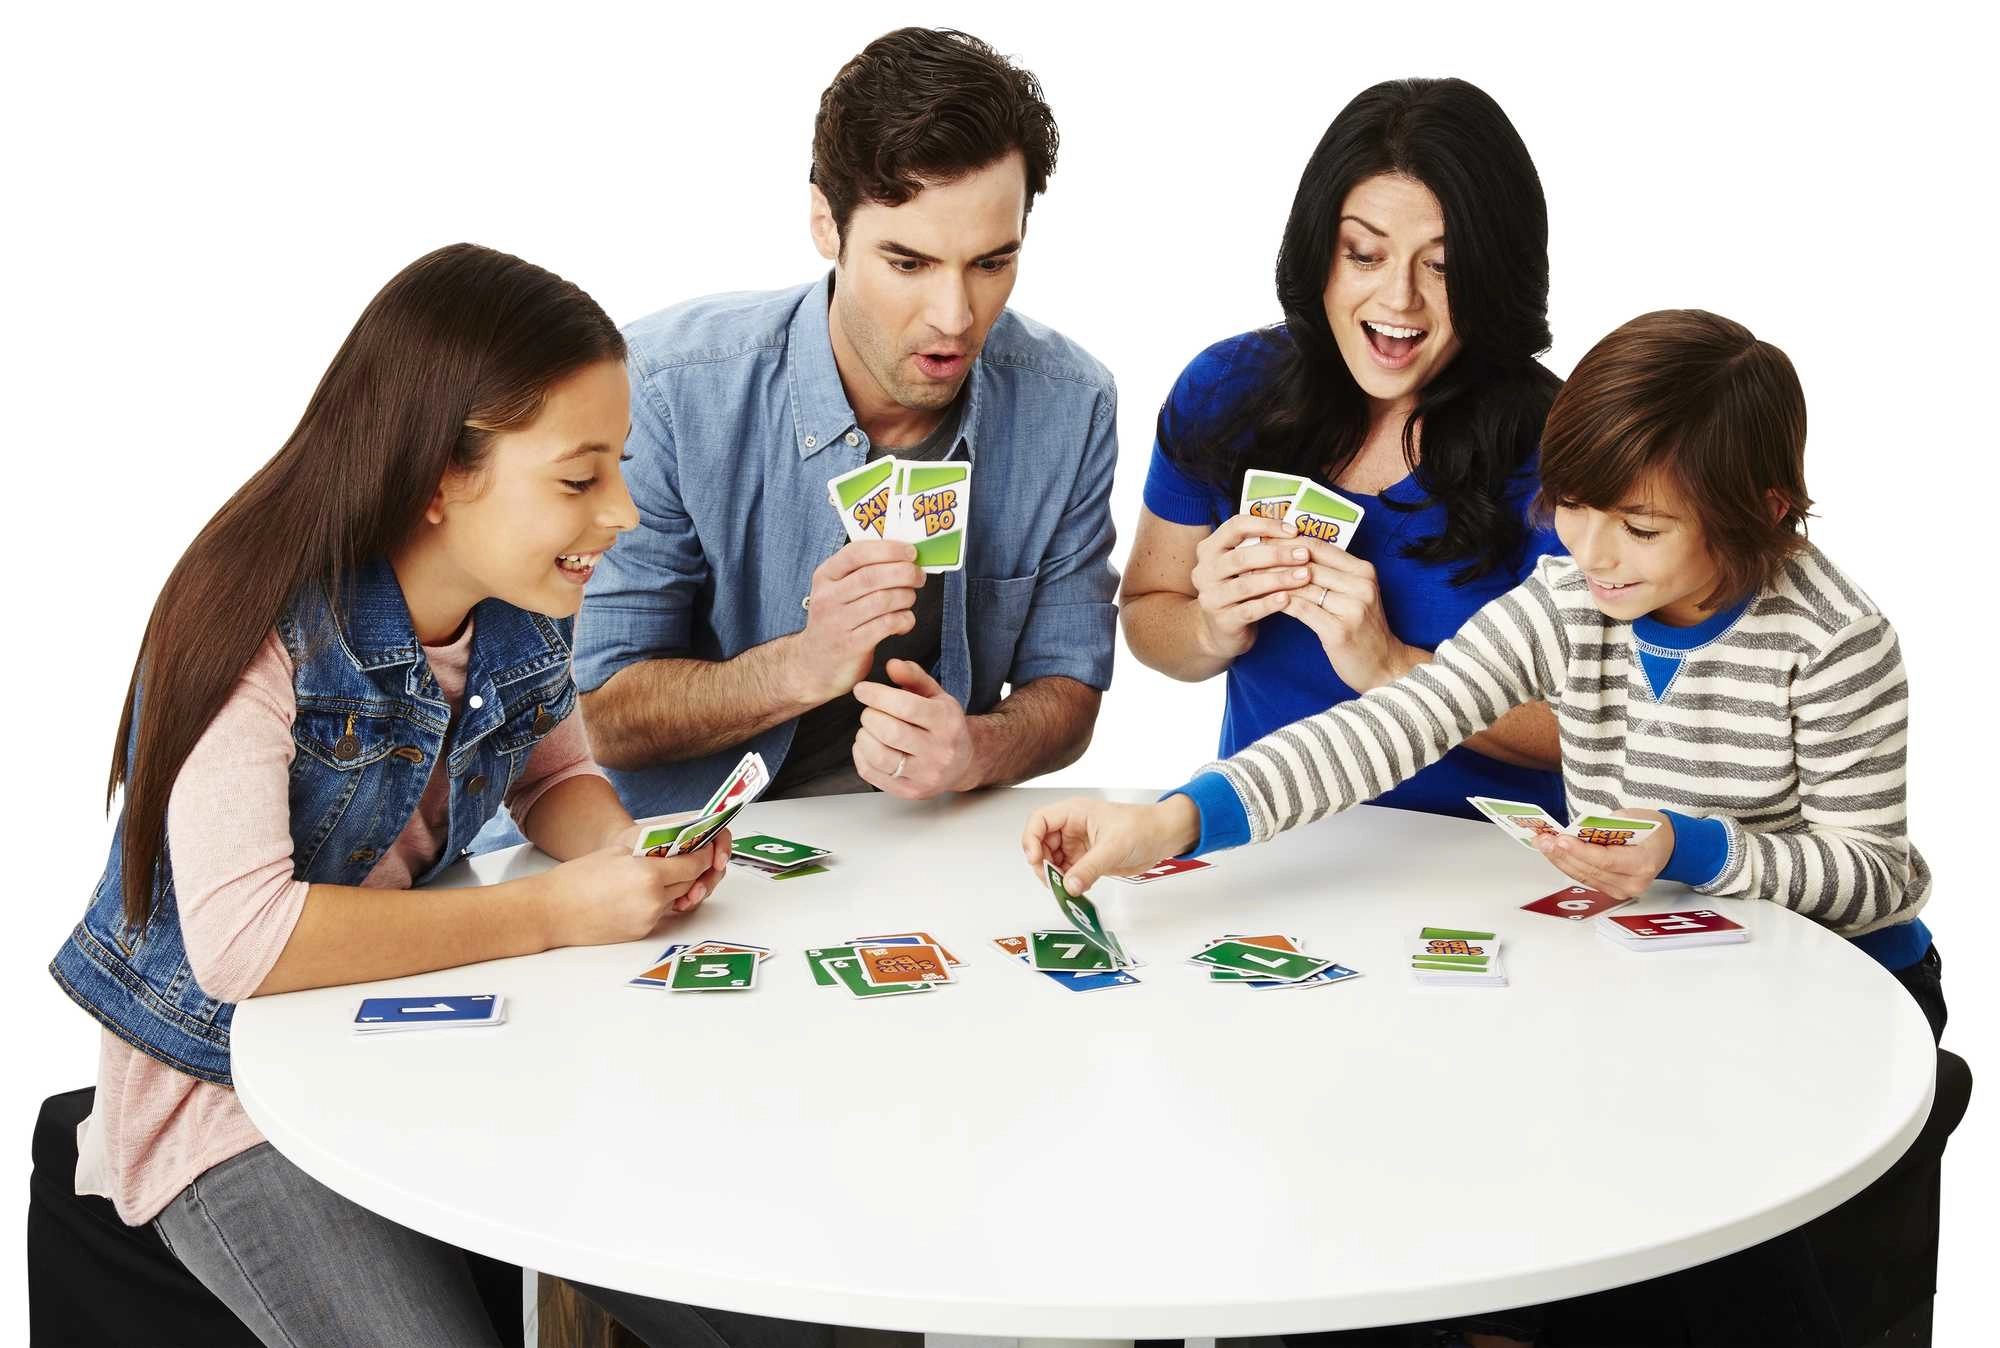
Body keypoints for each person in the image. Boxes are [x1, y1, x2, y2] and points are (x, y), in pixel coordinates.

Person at [1026, 309, 1939, 1347]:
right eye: (1576, 508)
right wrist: (1172, 820)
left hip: (1841, 993)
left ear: (1761, 512)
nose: (1591, 553)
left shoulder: (1833, 642)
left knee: (1708, 1267)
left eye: (1639, 527)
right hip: (1667, 984)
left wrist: (1685, 848)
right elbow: (1390, 724)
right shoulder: (1572, 595)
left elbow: (1873, 875)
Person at [44, 244, 791, 1348]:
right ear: (442, 476)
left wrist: (628, 853)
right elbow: (242, 944)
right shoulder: (251, 622)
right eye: (581, 478)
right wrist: (557, 910)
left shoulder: (520, 606)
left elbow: (558, 777)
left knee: (736, 1284)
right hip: (222, 1094)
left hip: (399, 1045)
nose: (623, 512)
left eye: (619, 468)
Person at [565, 27, 1117, 819]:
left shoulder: (1071, 405)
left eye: (992, 263)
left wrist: (974, 750)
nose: (956, 318)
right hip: (684, 845)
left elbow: (1067, 687)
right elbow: (605, 712)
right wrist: (801, 666)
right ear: (827, 224)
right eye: (908, 263)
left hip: (922, 845)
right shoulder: (664, 389)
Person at [1120, 77, 1566, 823]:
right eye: (1364, 254)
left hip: (1483, 879)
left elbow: (1596, 729)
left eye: (1444, 266)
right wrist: (1208, 627)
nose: (1398, 301)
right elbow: (1146, 612)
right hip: (1267, 851)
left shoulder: (1562, 445)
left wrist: (1393, 666)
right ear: (1320, 251)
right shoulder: (1226, 388)